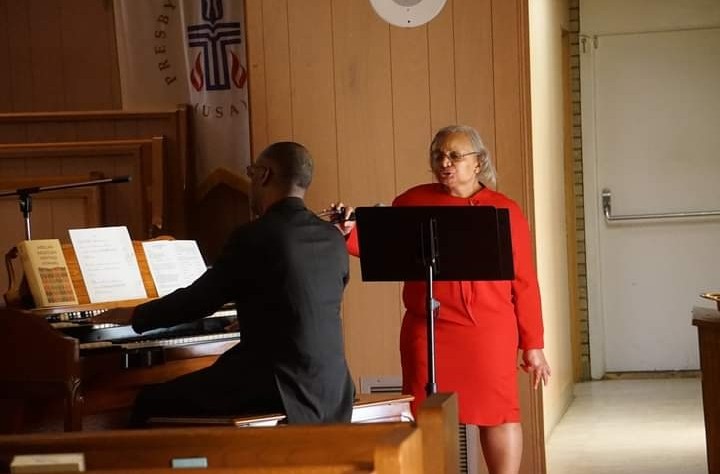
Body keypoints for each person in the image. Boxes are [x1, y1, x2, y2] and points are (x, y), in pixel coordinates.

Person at [334, 125, 550, 474]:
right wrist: (349, 232)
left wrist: (533, 344)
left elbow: (524, 282)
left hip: (488, 331)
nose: (444, 162)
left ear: (478, 163)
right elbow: (384, 248)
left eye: (454, 155)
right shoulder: (411, 201)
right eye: (438, 156)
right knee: (425, 412)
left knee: (499, 412)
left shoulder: (505, 210)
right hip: (428, 328)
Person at [92, 141, 355, 427]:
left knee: (149, 402)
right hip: (333, 387)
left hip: (279, 386)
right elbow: (303, 300)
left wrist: (133, 316)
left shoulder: (255, 235)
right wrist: (255, 317)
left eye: (251, 172)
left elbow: (199, 301)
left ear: (264, 175)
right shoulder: (333, 239)